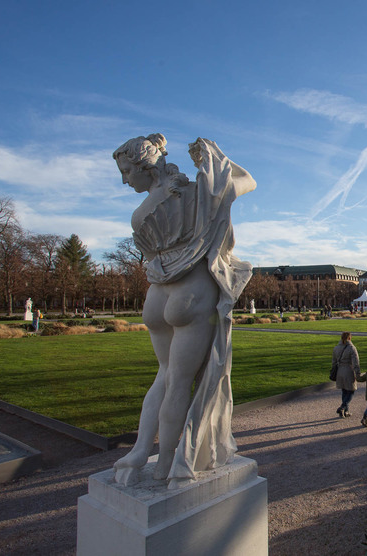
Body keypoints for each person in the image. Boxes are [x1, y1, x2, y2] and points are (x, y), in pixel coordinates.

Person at [111, 133, 256, 489]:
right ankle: (169, 464)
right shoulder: (198, 192)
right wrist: (215, 164)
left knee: (164, 375)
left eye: (127, 170)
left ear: (146, 164)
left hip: (157, 294)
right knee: (177, 381)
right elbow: (248, 181)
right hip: (191, 290)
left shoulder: (142, 211)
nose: (124, 178)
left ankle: (142, 451)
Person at [332, 331, 361, 417]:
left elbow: (333, 362)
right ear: (349, 338)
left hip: (340, 371)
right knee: (351, 391)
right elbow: (356, 362)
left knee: (344, 391)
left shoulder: (336, 348)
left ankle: (346, 411)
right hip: (348, 370)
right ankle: (343, 407)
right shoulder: (352, 348)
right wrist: (358, 373)